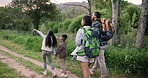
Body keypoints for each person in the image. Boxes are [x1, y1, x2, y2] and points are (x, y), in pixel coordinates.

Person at [90, 12, 107, 78]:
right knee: (99, 57)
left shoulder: (95, 23)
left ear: (95, 16)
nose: (92, 16)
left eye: (93, 15)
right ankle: (93, 70)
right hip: (104, 43)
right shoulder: (102, 23)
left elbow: (93, 34)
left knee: (101, 60)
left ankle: (103, 75)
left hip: (99, 44)